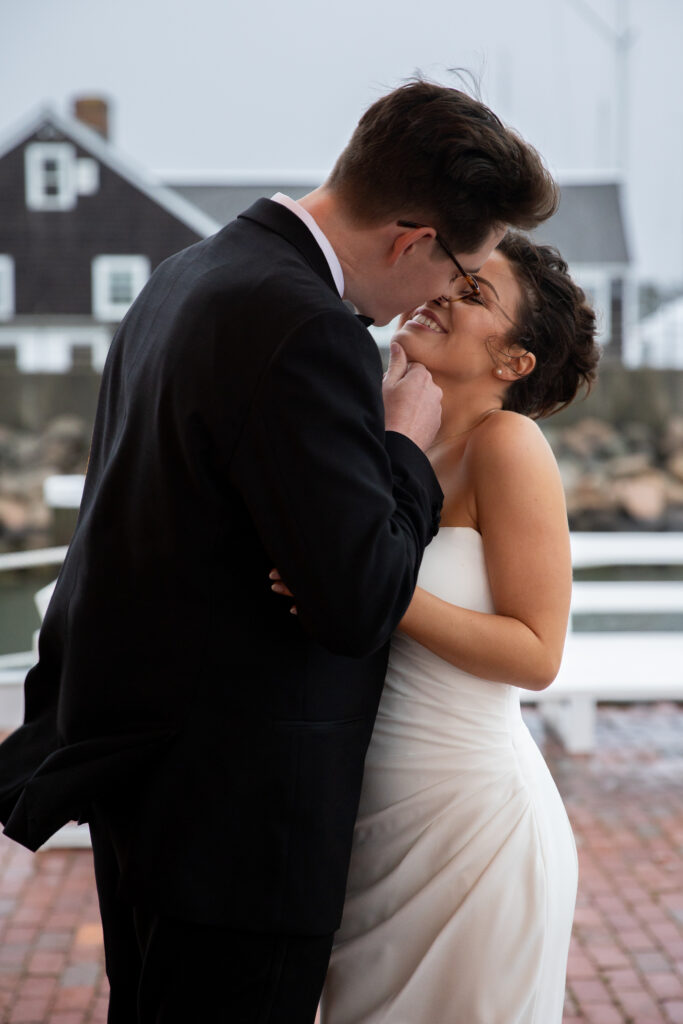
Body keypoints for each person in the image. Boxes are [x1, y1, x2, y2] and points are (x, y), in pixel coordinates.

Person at [0, 83, 558, 1023]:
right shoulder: (308, 328)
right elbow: (355, 601)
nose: (436, 298)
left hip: (153, 784)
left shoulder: (185, 274)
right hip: (241, 820)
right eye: (456, 270)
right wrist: (399, 449)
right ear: (412, 241)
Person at [318, 232, 599, 1023]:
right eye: (453, 276)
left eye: (474, 294)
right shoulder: (384, 437)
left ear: (513, 361)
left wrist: (371, 586)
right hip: (366, 812)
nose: (442, 291)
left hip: (467, 820)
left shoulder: (503, 445)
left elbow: (536, 654)